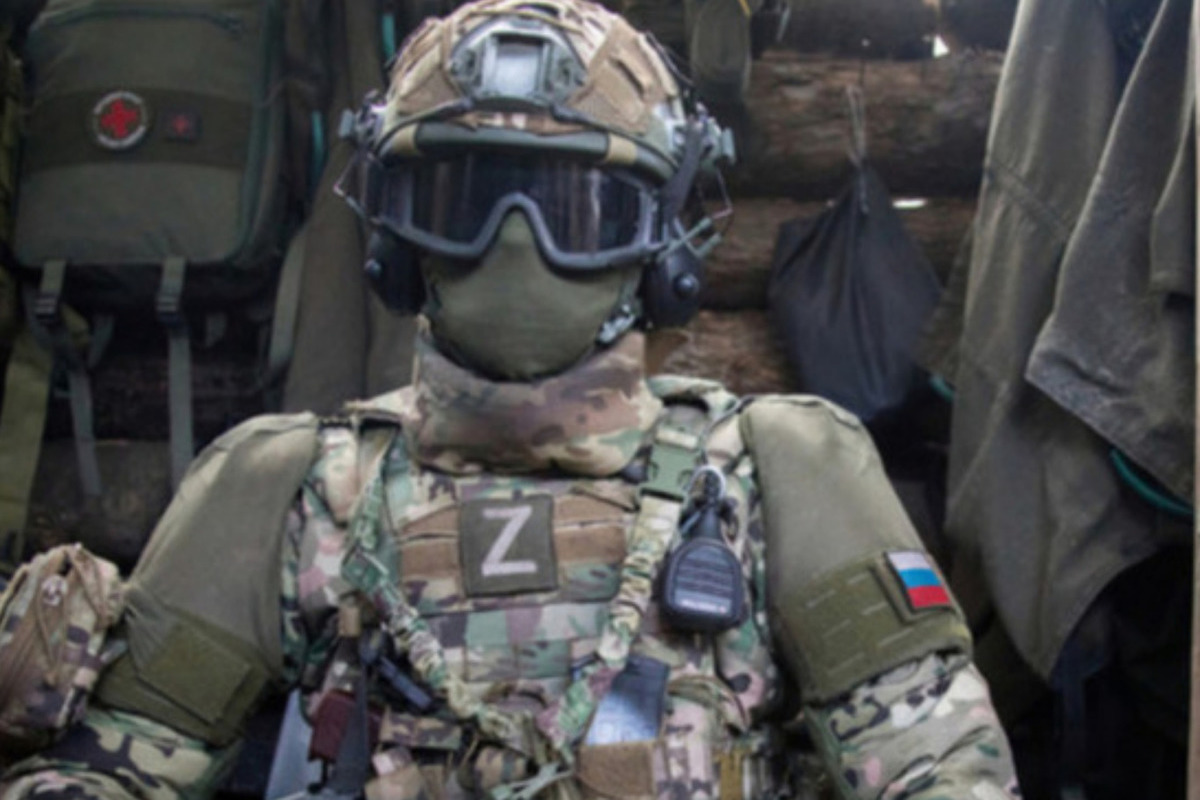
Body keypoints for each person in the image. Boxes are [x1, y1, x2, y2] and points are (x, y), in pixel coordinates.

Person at [0, 0, 1019, 797]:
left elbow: (940, 768)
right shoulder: (287, 488)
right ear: (397, 244)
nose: (516, 243)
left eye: (580, 209)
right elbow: (110, 770)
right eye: (464, 204)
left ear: (661, 249)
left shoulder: (782, 475)